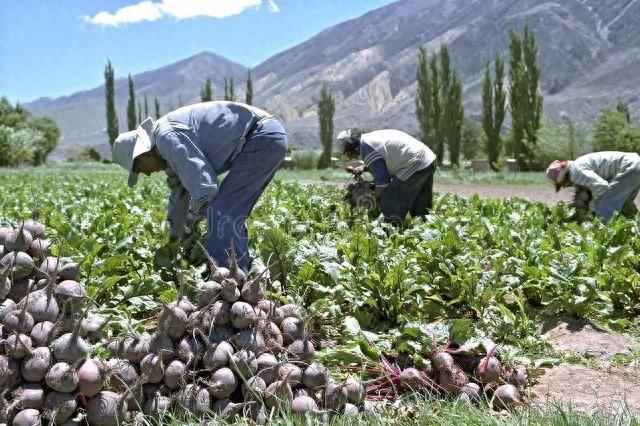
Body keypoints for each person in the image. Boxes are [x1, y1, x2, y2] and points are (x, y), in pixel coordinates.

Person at [112, 101, 287, 273]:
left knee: (221, 212)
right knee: (223, 212)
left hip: (262, 136)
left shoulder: (167, 138)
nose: (147, 174)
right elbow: (178, 198)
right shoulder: (167, 153)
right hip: (263, 137)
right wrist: (176, 240)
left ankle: (231, 281)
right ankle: (233, 276)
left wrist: (192, 217)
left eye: (140, 170)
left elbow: (205, 188)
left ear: (142, 156)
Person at [338, 128, 437, 226]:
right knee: (420, 201)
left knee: (390, 194)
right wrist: (364, 167)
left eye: (349, 154)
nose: (351, 157)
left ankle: (391, 228)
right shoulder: (367, 140)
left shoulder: (367, 151)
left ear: (353, 148)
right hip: (428, 159)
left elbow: (383, 182)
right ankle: (425, 227)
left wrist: (372, 199)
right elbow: (385, 158)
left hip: (417, 162)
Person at [546, 151, 640, 223]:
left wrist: (592, 209)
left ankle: (605, 238)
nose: (564, 186)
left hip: (629, 167)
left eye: (562, 184)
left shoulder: (575, 172)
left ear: (563, 178)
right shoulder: (577, 166)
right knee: (624, 205)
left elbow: (602, 187)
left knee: (604, 206)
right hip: (634, 164)